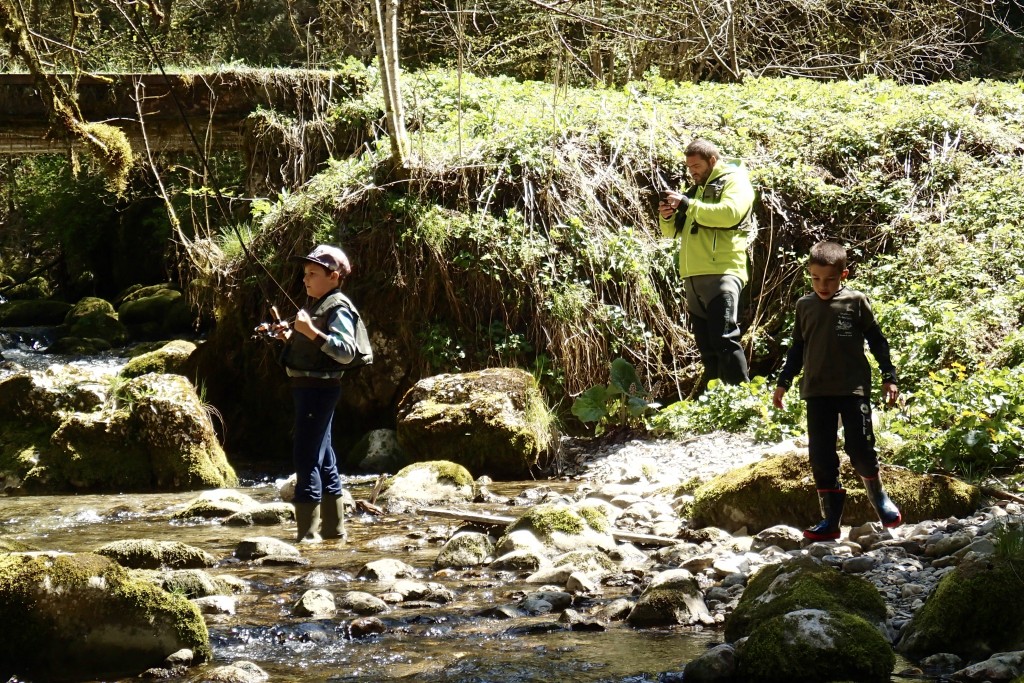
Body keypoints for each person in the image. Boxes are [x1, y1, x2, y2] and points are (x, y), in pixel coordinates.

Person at [772, 241, 902, 541]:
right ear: (809, 274)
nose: (823, 285)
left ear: (844, 274)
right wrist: (784, 382)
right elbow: (797, 348)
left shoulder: (855, 302)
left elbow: (877, 340)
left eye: (830, 279)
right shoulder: (804, 306)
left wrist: (889, 376)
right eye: (816, 278)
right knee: (820, 455)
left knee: (860, 448)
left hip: (852, 388)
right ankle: (830, 520)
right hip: (817, 391)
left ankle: (879, 498)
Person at [273, 244, 361, 543]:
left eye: (313, 273)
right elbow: (316, 347)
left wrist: (309, 331)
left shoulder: (337, 307)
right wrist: (291, 336)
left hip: (318, 390)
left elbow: (346, 352)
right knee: (324, 459)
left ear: (334, 277)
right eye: (304, 274)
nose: (306, 279)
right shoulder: (320, 305)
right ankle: (334, 532)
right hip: (310, 389)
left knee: (305, 457)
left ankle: (307, 538)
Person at [658, 139, 755, 387]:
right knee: (707, 347)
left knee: (725, 339)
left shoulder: (735, 180)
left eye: (697, 166)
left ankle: (742, 399)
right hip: (693, 276)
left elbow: (730, 213)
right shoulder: (695, 191)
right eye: (689, 167)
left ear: (712, 161)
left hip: (723, 272)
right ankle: (715, 404)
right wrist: (667, 216)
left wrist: (688, 204)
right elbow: (671, 233)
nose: (692, 172)